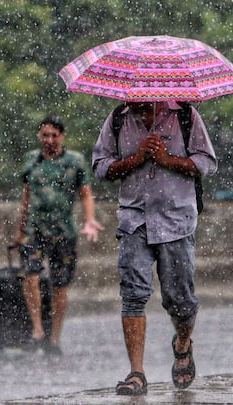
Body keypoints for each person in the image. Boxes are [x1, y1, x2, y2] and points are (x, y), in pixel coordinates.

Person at [92, 101, 217, 395]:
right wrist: (134, 160)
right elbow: (100, 166)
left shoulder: (185, 115)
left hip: (176, 220)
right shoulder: (118, 119)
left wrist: (167, 159)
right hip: (134, 220)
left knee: (181, 301)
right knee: (132, 295)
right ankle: (137, 373)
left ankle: (182, 344)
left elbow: (206, 162)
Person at [14, 115, 104, 356]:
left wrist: (89, 220)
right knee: (30, 275)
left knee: (60, 285)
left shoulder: (74, 161)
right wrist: (20, 229)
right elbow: (27, 194)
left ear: (62, 137)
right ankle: (37, 330)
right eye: (45, 135)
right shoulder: (31, 161)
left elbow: (85, 193)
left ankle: (54, 337)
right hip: (34, 230)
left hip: (63, 232)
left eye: (54, 135)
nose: (50, 140)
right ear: (39, 136)